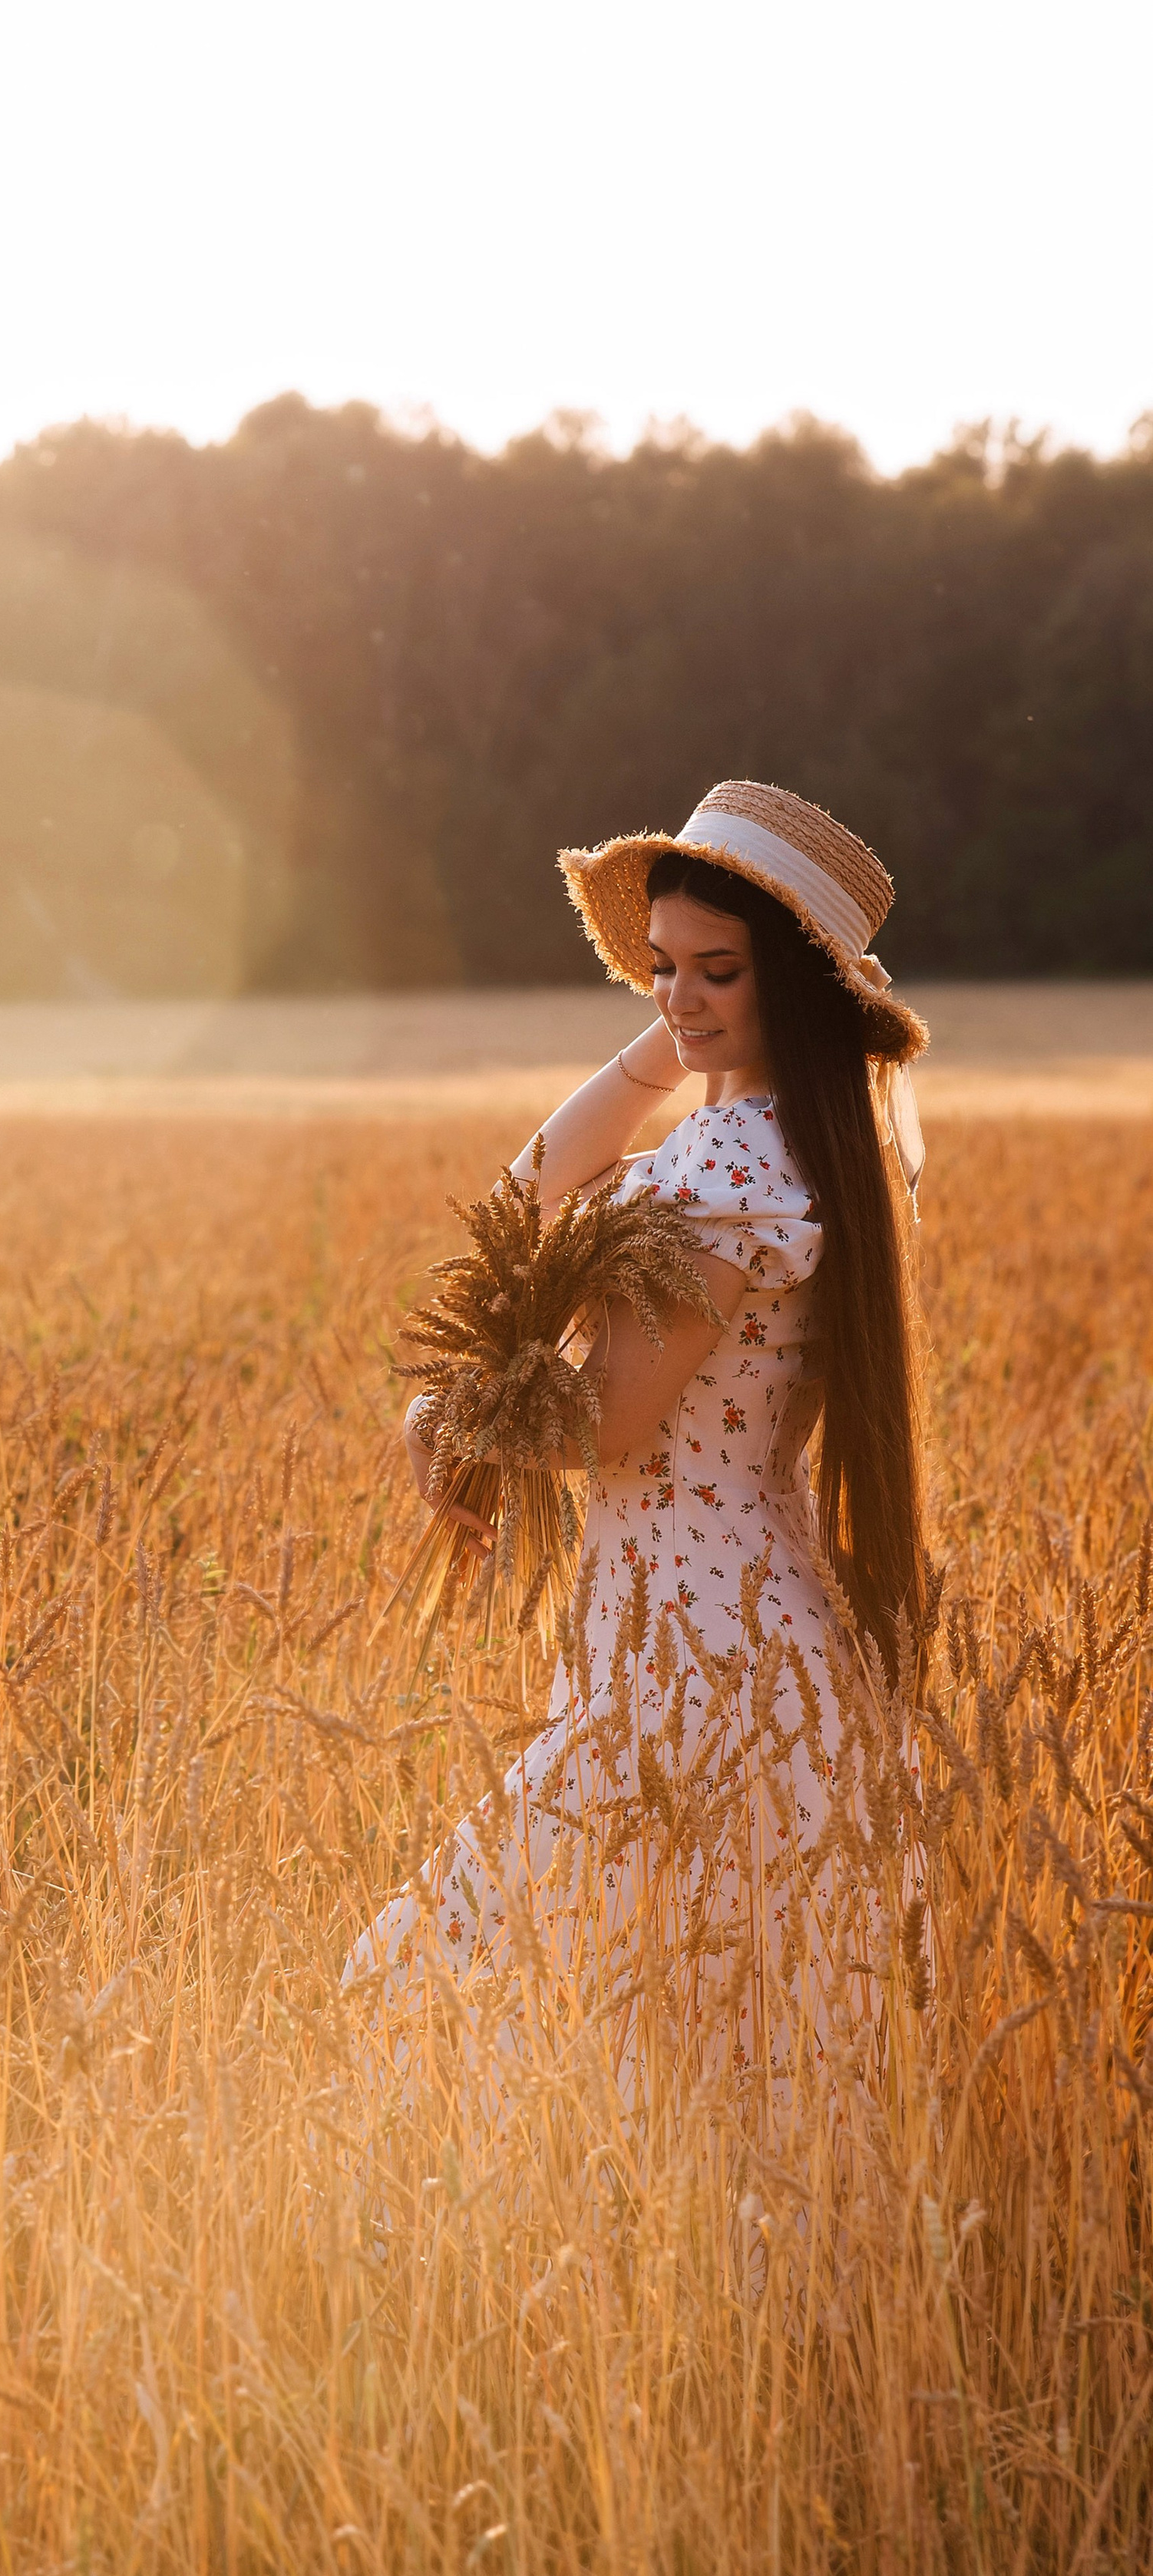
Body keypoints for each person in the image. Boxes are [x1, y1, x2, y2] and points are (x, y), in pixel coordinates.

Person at [343, 780, 931, 2081]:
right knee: (688, 2025)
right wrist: (674, 1040)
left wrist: (441, 1415)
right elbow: (520, 1206)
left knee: (452, 1976)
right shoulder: (775, 1138)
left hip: (695, 1652)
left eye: (719, 971)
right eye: (661, 967)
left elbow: (611, 1423)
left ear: (798, 979)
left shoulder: (731, 1171)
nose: (678, 996)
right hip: (727, 1619)